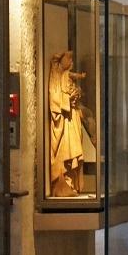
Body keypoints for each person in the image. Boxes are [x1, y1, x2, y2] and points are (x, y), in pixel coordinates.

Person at [48, 50, 87, 196]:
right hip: (65, 120)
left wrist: (76, 95)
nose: (71, 62)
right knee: (68, 151)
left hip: (72, 116)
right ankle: (63, 183)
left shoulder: (66, 76)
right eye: (68, 59)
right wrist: (68, 100)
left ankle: (72, 183)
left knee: (75, 149)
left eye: (71, 60)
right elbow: (54, 99)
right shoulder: (56, 76)